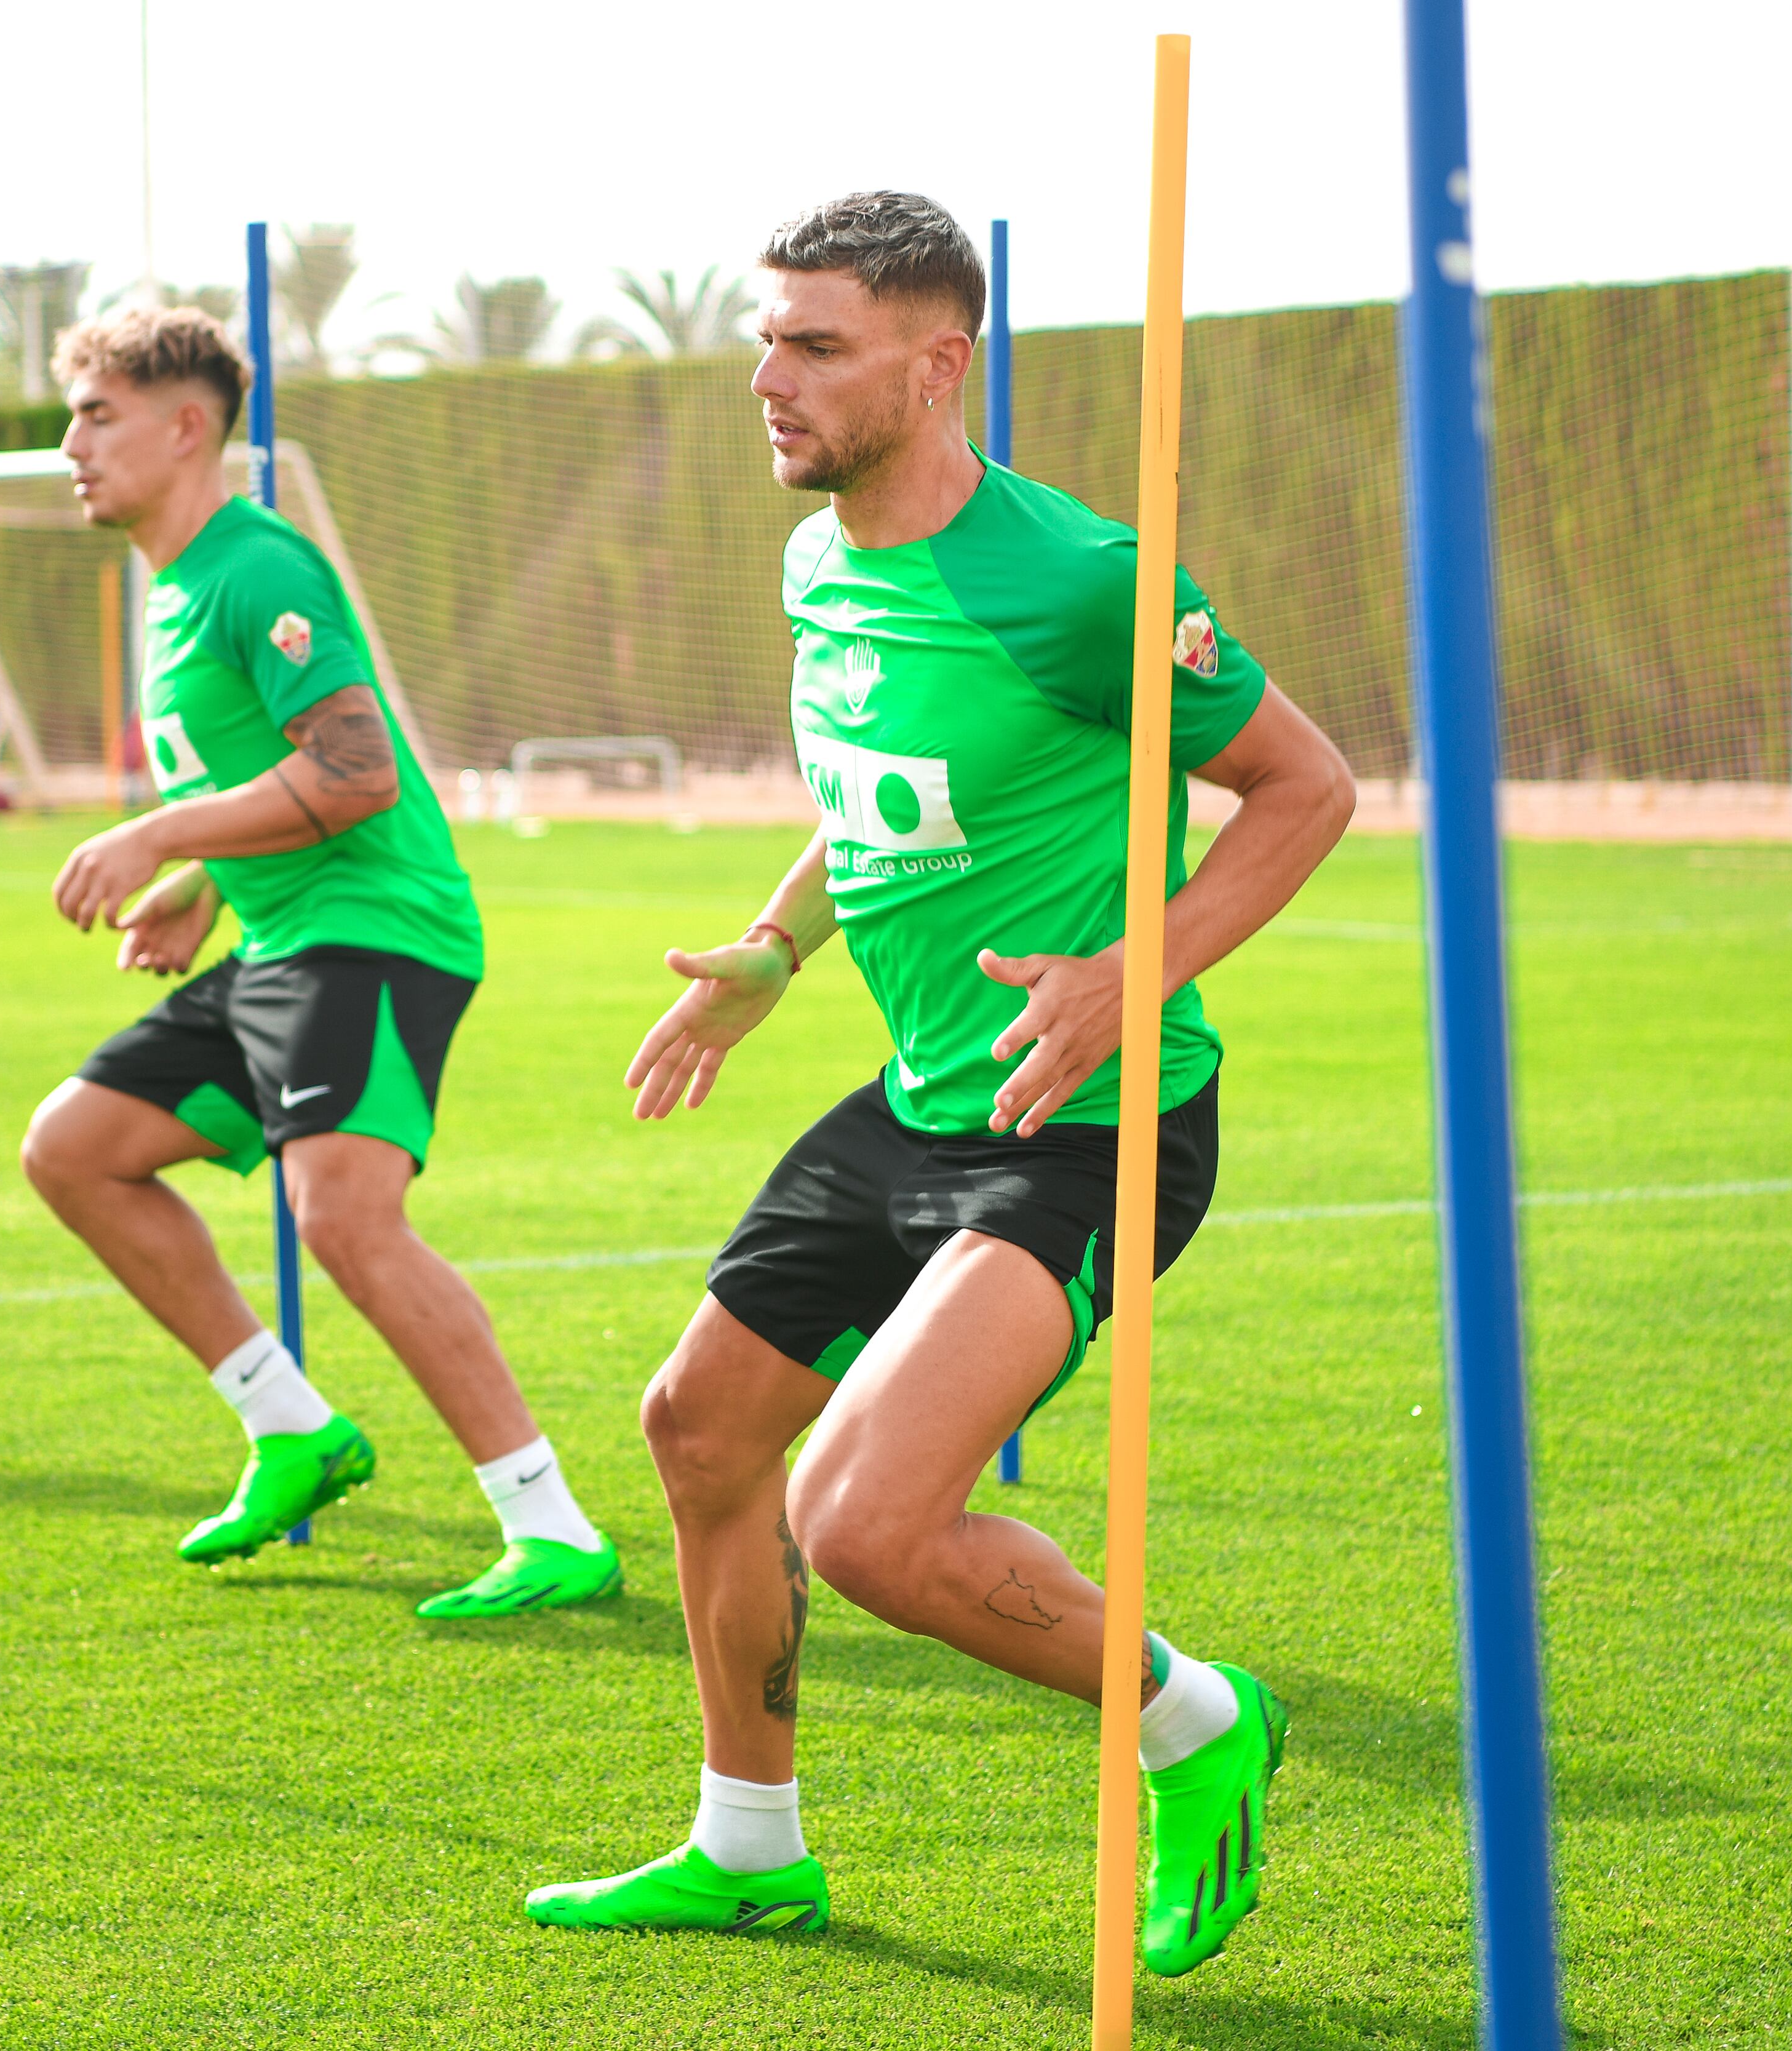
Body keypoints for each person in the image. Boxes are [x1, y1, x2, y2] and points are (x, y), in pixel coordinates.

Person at [524, 193, 1355, 1970]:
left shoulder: (1082, 583)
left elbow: (1308, 788)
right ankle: (750, 1844)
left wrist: (1144, 967)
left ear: (936, 363)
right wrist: (773, 948)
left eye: (815, 345)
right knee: (699, 1431)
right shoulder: (818, 557)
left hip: (1093, 1118)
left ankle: (1196, 1718)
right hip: (914, 1096)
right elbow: (870, 798)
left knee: (865, 1515)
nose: (769, 377)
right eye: (768, 338)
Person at [22, 306, 622, 1619]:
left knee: (346, 1217)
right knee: (74, 1147)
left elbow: (354, 774)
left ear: (188, 429)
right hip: (285, 937)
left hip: (379, 928)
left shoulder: (255, 569)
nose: (70, 442)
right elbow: (266, 775)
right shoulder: (172, 584)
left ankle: (552, 1524)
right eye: (73, 414)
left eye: (97, 415)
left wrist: (159, 832)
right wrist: (200, 882)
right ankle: (290, 1427)